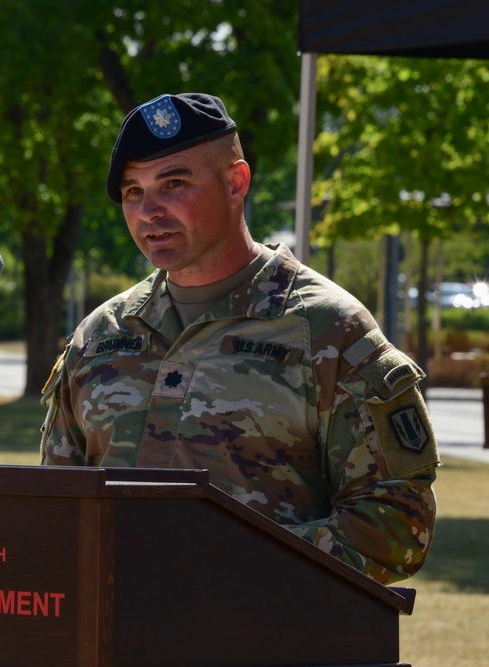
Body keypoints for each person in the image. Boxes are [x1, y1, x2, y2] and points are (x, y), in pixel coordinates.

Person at [40, 92, 438, 585]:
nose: (149, 211)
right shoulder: (100, 335)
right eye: (133, 192)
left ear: (236, 182)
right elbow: (54, 505)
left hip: (265, 639)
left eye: (174, 183)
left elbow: (399, 517)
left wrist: (239, 567)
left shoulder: (327, 329)